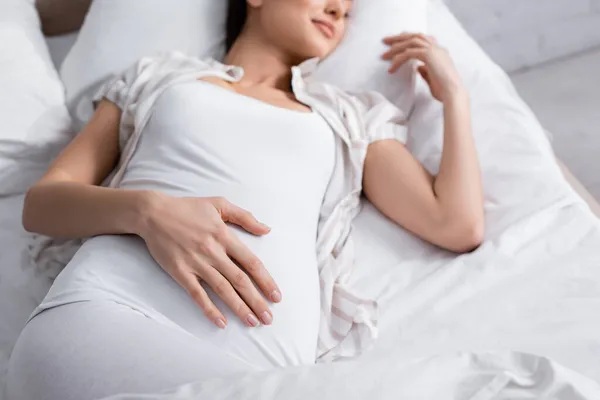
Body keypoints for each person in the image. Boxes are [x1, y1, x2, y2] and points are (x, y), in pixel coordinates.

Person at [7, 0, 484, 399]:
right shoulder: (161, 77)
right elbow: (43, 204)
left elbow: (456, 225)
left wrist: (455, 97)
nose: (339, 9)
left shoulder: (347, 115)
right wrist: (148, 211)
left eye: (347, 7)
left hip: (263, 373)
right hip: (105, 319)